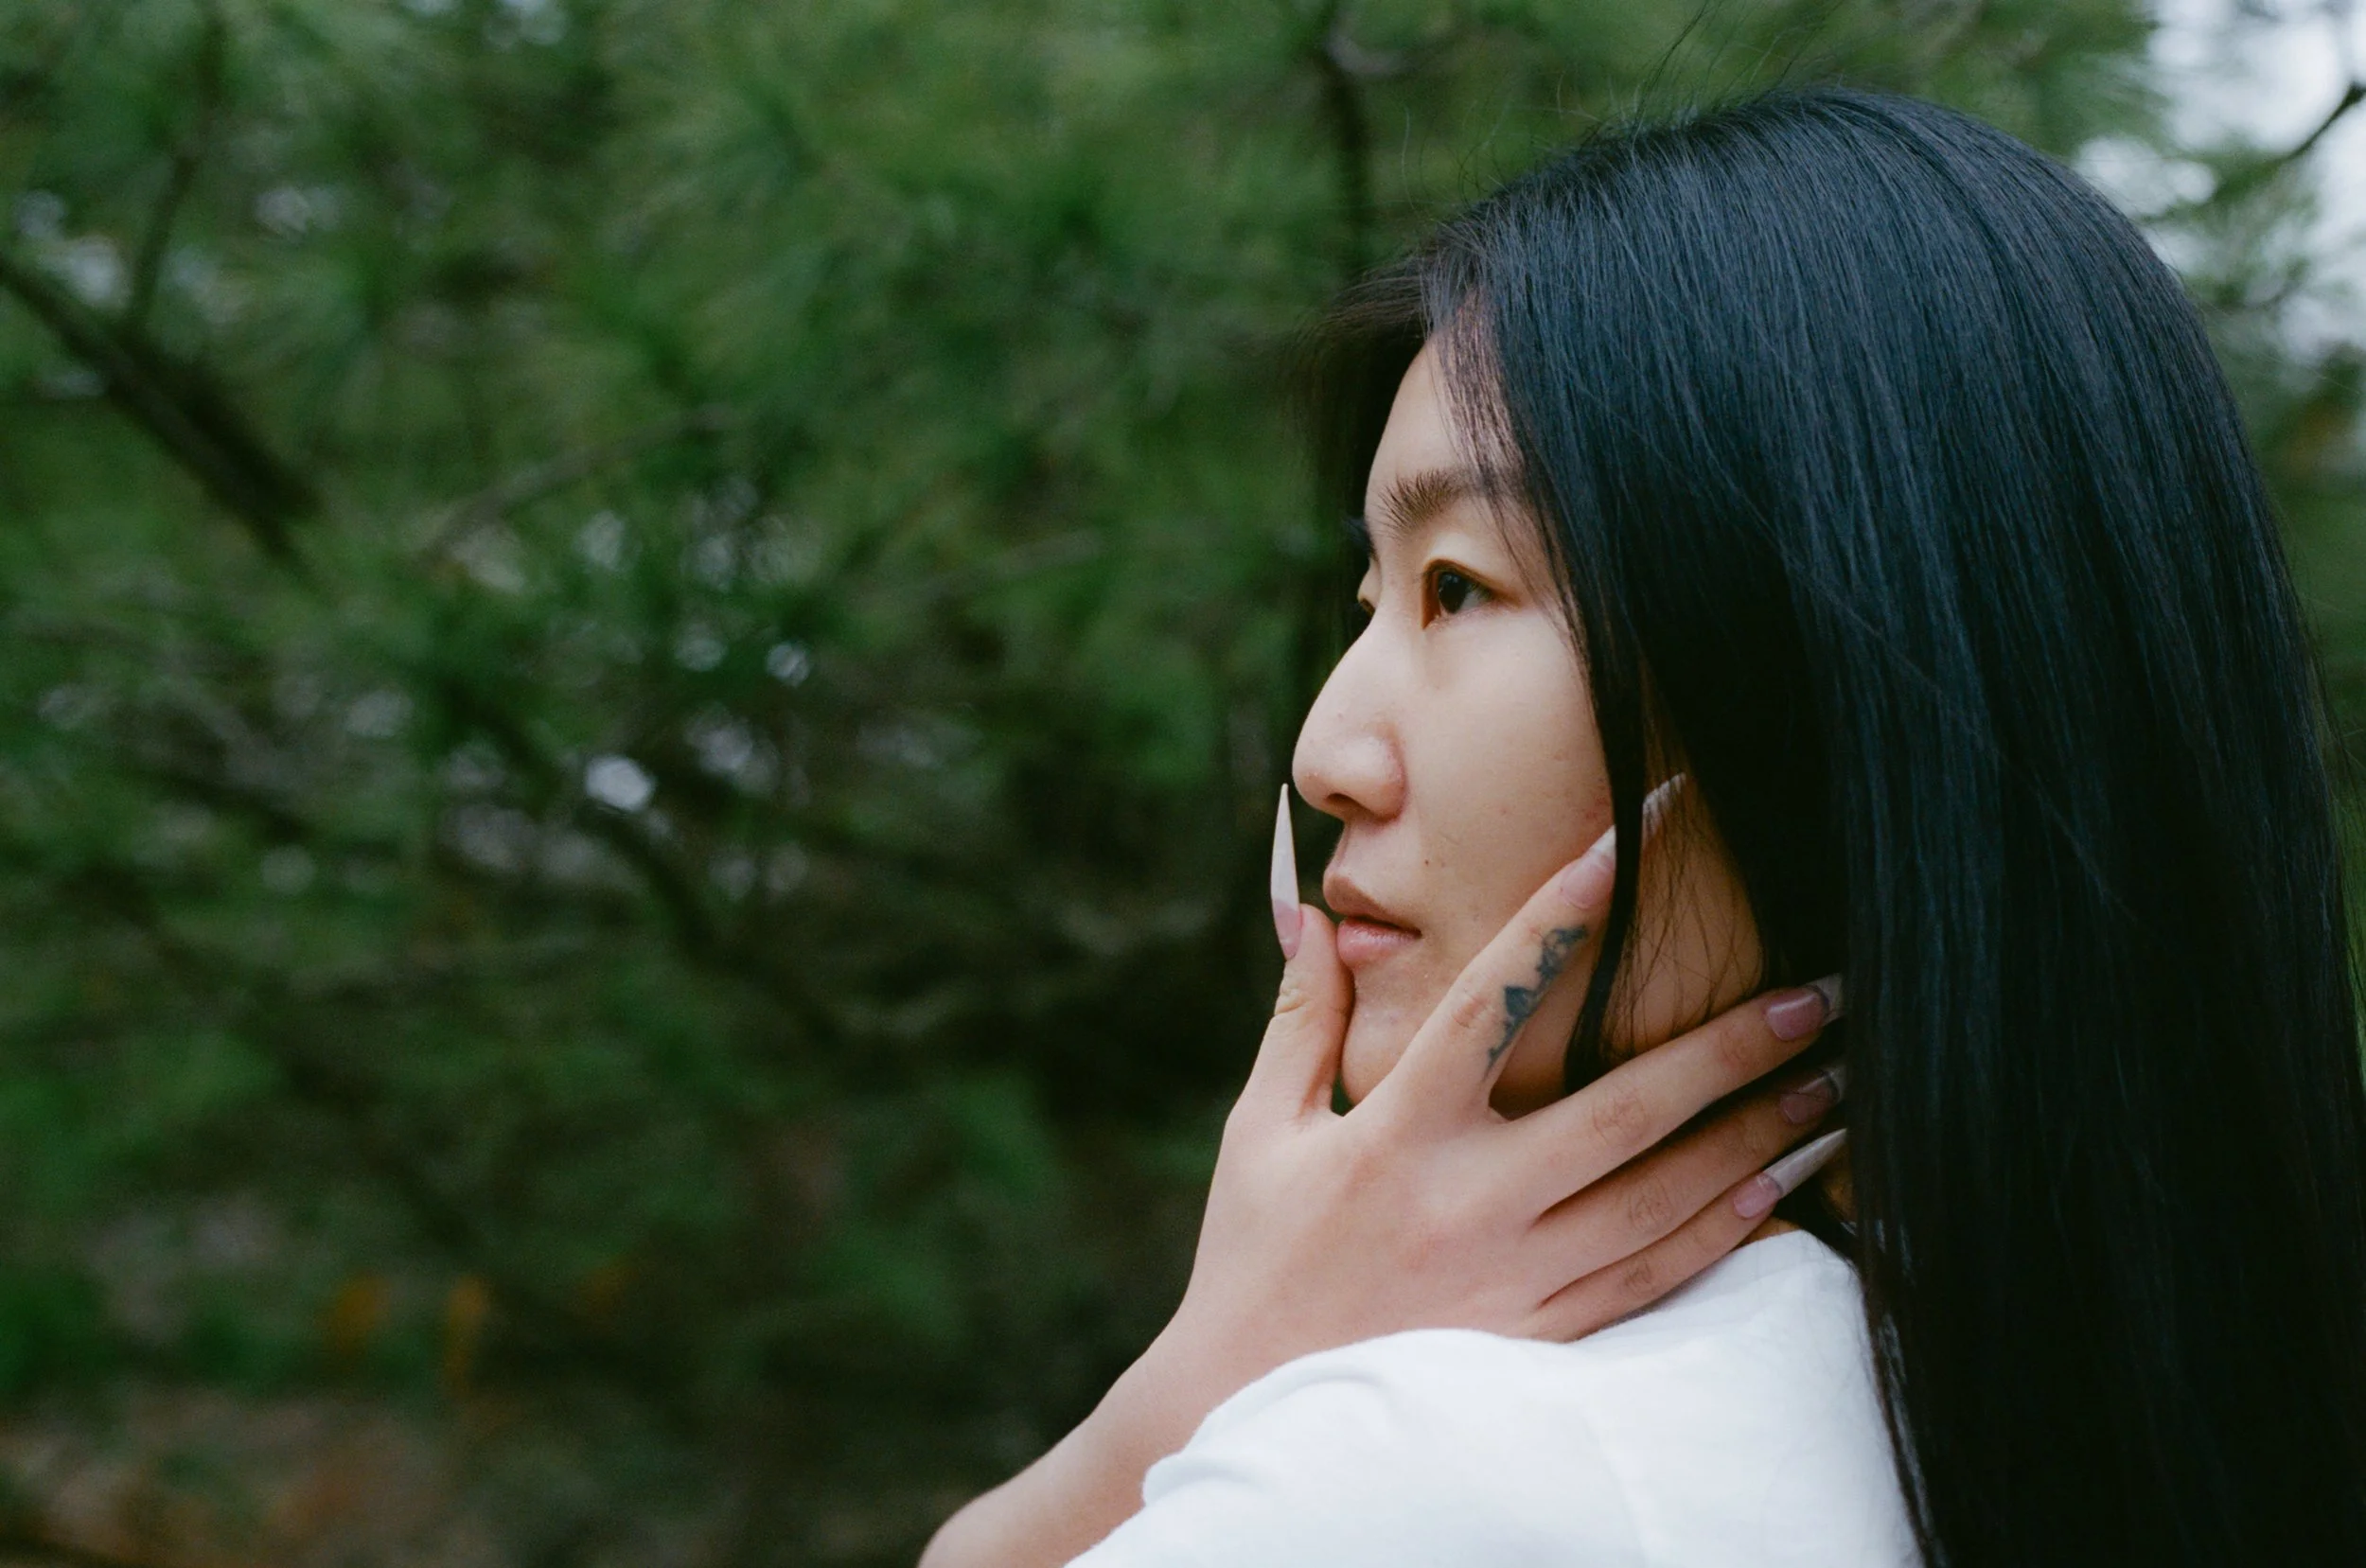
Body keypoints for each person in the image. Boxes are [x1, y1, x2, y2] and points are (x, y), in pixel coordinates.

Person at [923, 85, 2366, 1568]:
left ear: (1832, 686)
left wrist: (1207, 1389)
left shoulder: (1412, 1484)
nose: (1327, 754)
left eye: (1460, 588)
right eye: (1374, 595)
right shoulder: (2157, 1418)